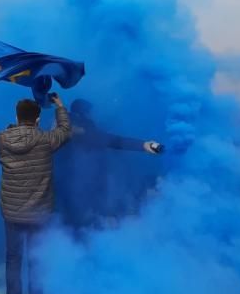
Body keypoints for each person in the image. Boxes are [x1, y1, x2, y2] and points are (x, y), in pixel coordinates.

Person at [0, 94, 72, 294]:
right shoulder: (45, 140)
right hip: (39, 213)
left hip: (12, 211)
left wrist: (13, 129)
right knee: (36, 260)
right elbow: (65, 131)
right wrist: (59, 106)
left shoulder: (2, 139)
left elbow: (3, 152)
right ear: (37, 119)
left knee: (13, 259)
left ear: (17, 117)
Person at [56, 98, 162, 231]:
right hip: (86, 187)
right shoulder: (87, 131)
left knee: (71, 226)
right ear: (84, 113)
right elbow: (116, 141)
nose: (92, 114)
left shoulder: (59, 132)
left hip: (65, 186)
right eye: (89, 112)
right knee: (86, 224)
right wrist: (143, 145)